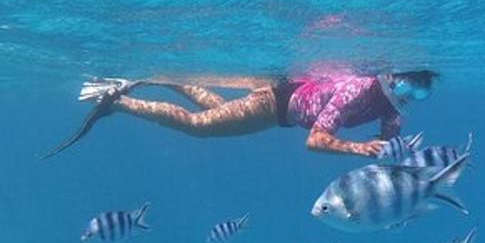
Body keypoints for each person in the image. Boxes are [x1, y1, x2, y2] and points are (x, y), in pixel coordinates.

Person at [42, 65, 438, 159]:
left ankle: (161, 74)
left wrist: (388, 149)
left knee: (217, 110)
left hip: (278, 110)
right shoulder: (356, 88)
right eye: (408, 89)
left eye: (420, 97)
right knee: (200, 126)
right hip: (274, 103)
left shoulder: (393, 111)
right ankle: (118, 101)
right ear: (391, 75)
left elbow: (387, 149)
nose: (408, 99)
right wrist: (358, 149)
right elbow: (315, 140)